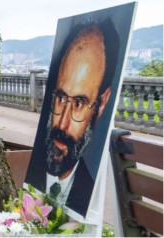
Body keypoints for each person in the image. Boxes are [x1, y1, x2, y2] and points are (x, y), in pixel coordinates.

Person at [26, 21, 118, 217]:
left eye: (78, 103)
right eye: (60, 98)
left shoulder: (87, 190)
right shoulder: (33, 173)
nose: (63, 123)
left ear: (102, 104)